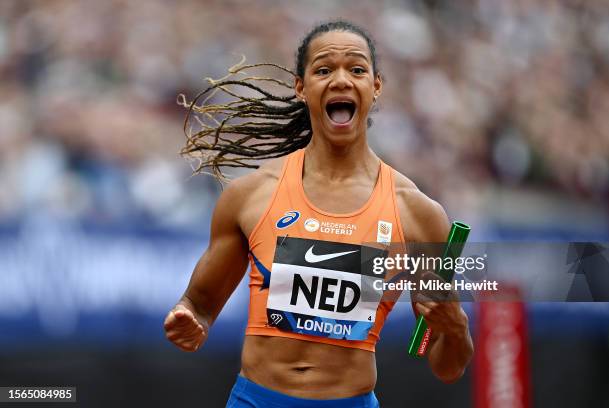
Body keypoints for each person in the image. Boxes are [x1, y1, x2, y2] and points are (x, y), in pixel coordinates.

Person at [164, 20, 473, 407]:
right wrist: (189, 316)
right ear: (301, 87)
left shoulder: (417, 214)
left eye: (357, 69)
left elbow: (446, 365)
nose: (341, 80)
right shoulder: (252, 196)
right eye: (324, 70)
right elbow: (200, 303)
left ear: (375, 87)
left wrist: (456, 329)